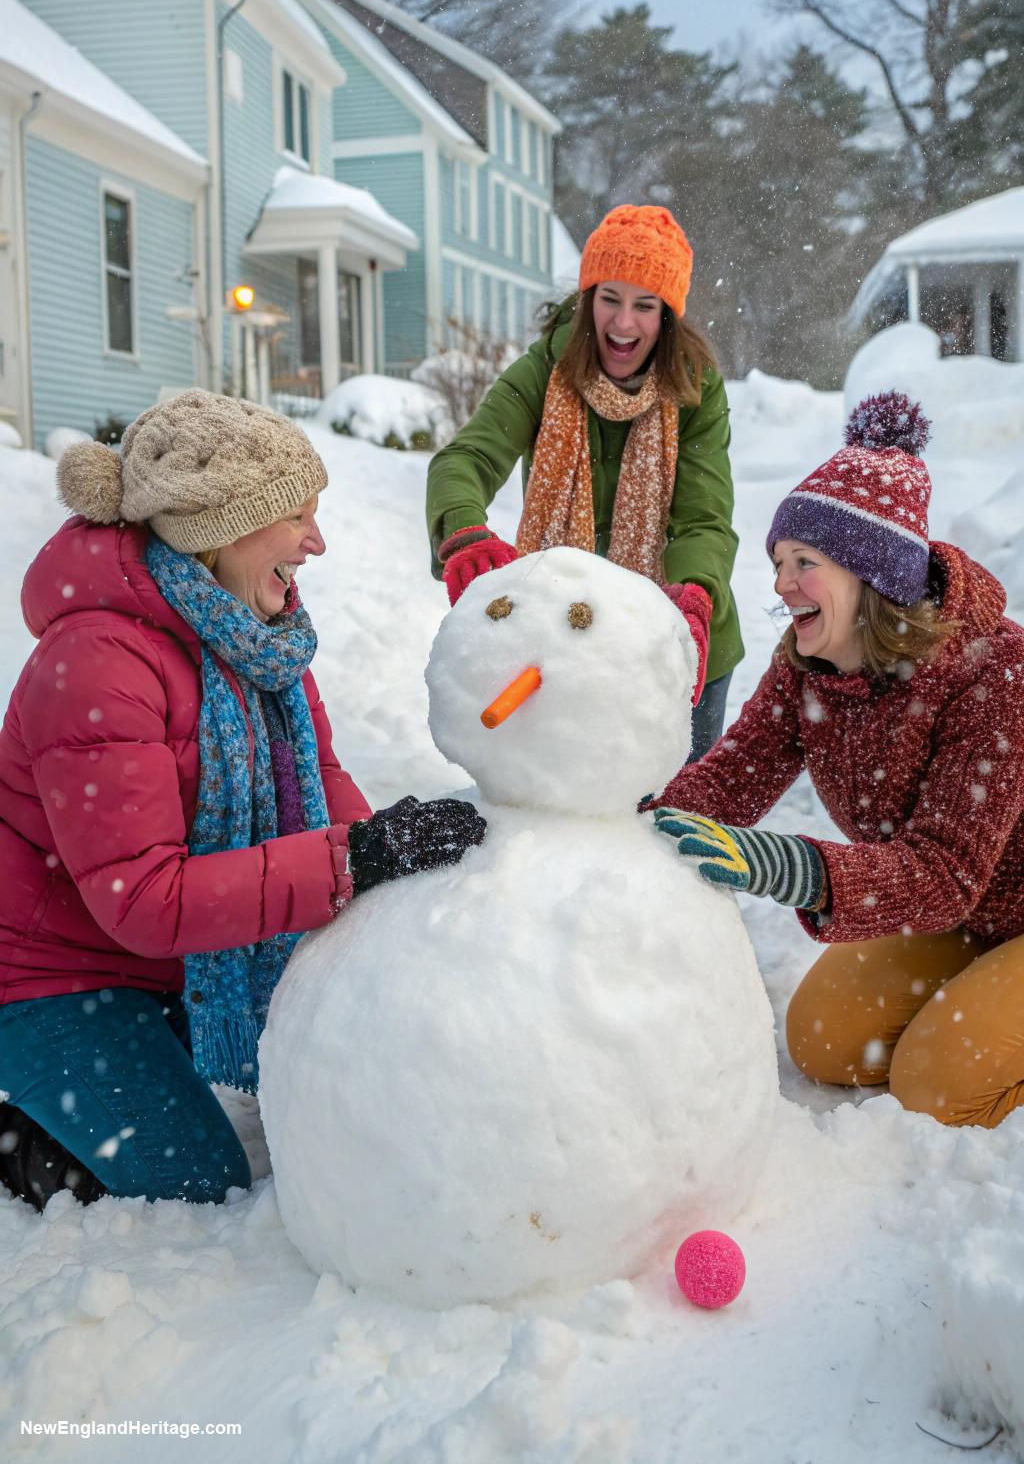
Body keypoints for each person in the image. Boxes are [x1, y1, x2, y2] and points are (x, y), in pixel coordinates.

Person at [0, 391, 484, 1211]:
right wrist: (351, 861)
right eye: (296, 516)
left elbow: (322, 784)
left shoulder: (257, 637)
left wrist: (395, 869)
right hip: (50, 979)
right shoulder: (96, 664)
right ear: (219, 528)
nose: (316, 541)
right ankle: (22, 1131)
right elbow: (144, 900)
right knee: (201, 1184)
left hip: (167, 970)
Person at [648, 391, 1024, 1130]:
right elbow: (737, 771)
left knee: (936, 1087)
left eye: (804, 562)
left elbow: (946, 871)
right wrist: (641, 828)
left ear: (869, 573)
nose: (782, 583)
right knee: (825, 1040)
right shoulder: (809, 661)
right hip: (963, 916)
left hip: (982, 895)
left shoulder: (996, 672)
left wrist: (793, 867)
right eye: (780, 562)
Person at [426, 205, 743, 758]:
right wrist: (463, 534)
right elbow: (466, 459)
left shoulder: (696, 390)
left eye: (645, 306)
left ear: (667, 317)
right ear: (589, 298)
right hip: (559, 638)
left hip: (672, 640)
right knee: (568, 813)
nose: (623, 324)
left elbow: (704, 520)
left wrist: (693, 600)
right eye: (610, 299)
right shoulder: (544, 372)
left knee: (674, 814)